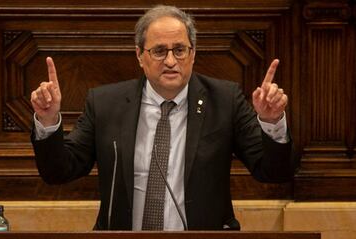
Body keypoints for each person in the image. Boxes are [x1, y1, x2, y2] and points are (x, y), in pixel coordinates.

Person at [30, 5, 298, 231]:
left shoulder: (224, 100)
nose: (171, 61)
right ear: (139, 56)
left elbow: (273, 173)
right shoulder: (105, 104)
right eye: (159, 51)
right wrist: (48, 121)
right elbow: (59, 172)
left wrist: (272, 122)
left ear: (192, 54)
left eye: (179, 50)